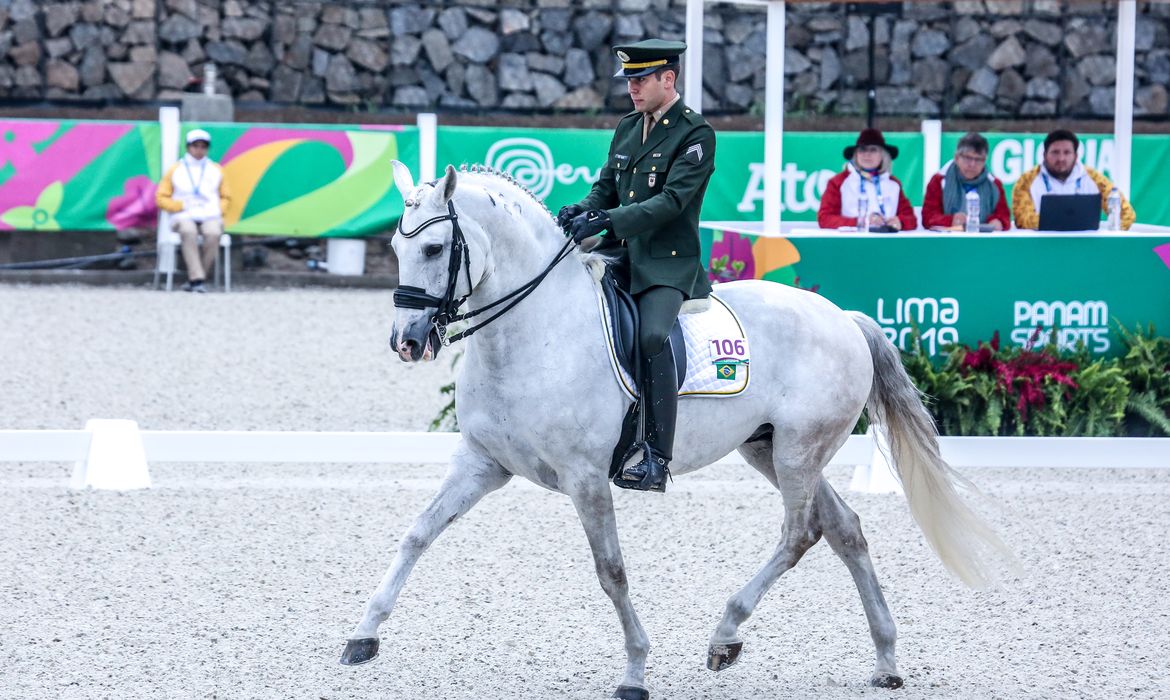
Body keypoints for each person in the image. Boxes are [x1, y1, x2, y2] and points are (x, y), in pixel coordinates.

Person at [557, 39, 716, 494]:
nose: (632, 87)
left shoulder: (695, 133)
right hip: (621, 253)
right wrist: (581, 210)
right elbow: (605, 186)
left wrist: (607, 219)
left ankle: (655, 454)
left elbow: (670, 203)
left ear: (668, 79)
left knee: (651, 336)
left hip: (667, 263)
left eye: (640, 79)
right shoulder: (628, 127)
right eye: (629, 79)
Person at [1012, 129, 1135, 230]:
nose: (1061, 158)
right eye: (1055, 152)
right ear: (1044, 155)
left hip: (1085, 247)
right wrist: (1072, 221)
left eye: (1067, 152)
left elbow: (1126, 214)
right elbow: (1022, 219)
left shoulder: (1095, 179)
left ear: (1076, 156)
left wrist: (1104, 235)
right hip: (1041, 247)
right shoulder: (1026, 181)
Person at [155, 129, 231, 292]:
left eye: (203, 146)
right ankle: (197, 279)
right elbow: (161, 197)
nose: (199, 150)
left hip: (210, 214)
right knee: (188, 231)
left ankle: (197, 278)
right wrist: (180, 206)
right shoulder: (175, 169)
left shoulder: (216, 169)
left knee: (213, 233)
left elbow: (226, 196)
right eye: (195, 146)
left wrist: (219, 209)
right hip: (183, 214)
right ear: (188, 147)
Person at [817, 128, 918, 232]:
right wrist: (861, 222)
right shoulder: (838, 182)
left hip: (887, 243)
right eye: (862, 150)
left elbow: (911, 219)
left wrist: (900, 222)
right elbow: (825, 219)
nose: (867, 154)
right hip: (850, 242)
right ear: (856, 155)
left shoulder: (893, 183)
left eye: (873, 150)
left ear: (883, 155)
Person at [922, 132, 1011, 231]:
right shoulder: (939, 180)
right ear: (956, 158)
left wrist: (997, 221)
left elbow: (1004, 216)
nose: (972, 164)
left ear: (985, 160)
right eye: (967, 158)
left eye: (978, 159)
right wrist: (951, 220)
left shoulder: (994, 185)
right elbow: (928, 218)